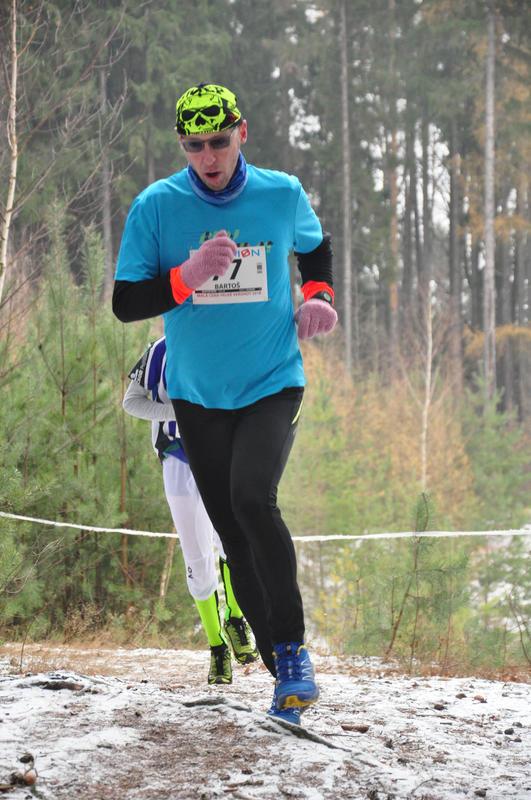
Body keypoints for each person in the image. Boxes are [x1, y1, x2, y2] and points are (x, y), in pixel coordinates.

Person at [113, 82, 337, 725]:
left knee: (251, 500)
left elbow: (314, 248)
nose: (208, 157)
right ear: (182, 146)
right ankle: (277, 666)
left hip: (272, 382)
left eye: (218, 141)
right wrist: (186, 276)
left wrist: (318, 296)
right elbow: (126, 302)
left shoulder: (280, 193)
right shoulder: (157, 207)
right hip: (198, 396)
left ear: (243, 133)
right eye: (194, 146)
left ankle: (292, 652)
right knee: (233, 536)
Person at [123, 335, 259, 685]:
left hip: (225, 456)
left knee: (235, 542)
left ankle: (236, 617)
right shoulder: (160, 349)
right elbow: (131, 402)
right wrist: (177, 413)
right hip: (179, 460)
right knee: (196, 556)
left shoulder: (229, 337)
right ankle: (216, 646)